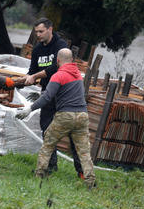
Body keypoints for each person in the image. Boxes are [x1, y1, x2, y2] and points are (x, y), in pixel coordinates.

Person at [16, 48, 96, 188]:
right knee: (84, 151)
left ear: (57, 61)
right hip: (83, 115)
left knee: (48, 144)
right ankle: (90, 181)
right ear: (72, 60)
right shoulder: (78, 74)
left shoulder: (58, 76)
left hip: (65, 116)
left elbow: (47, 97)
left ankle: (39, 175)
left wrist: (30, 108)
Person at [20, 18, 83, 177]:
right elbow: (32, 71)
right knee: (47, 129)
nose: (38, 35)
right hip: (47, 93)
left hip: (64, 95)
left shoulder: (60, 45)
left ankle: (81, 171)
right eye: (36, 32)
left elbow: (57, 67)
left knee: (73, 134)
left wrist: (36, 75)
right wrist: (23, 81)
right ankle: (50, 165)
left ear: (50, 29)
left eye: (41, 31)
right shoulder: (37, 50)